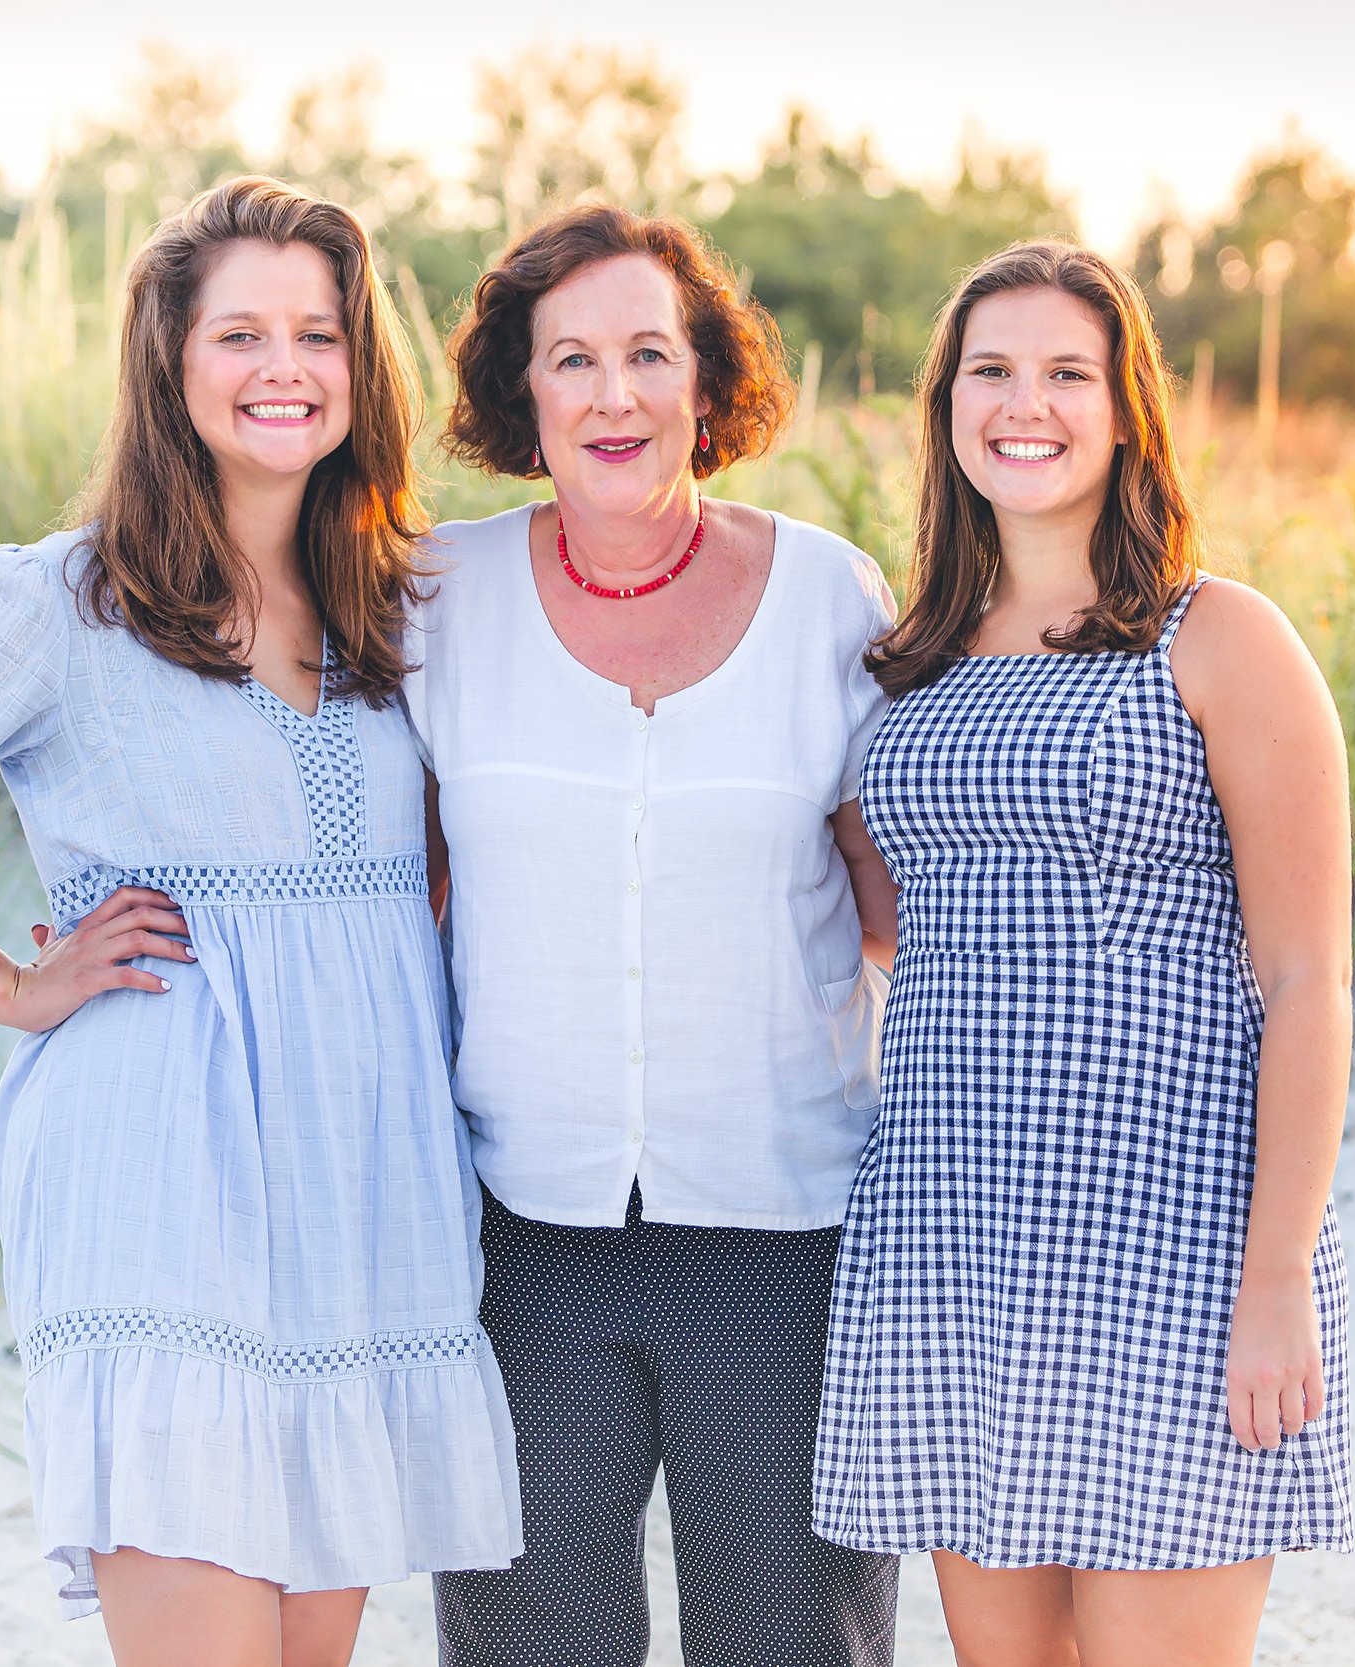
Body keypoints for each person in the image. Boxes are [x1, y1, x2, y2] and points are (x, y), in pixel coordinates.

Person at [0, 176, 521, 1667]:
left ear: (364, 370)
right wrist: (11, 986)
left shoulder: (394, 607)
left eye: (319, 333)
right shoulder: (60, 602)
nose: (283, 367)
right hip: (161, 1177)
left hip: (364, 1184)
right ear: (170, 363)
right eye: (240, 333)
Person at [811, 240, 1355, 1667]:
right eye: (990, 371)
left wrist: (1279, 1272)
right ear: (947, 408)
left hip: (1172, 1245)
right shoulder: (913, 657)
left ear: (1126, 412)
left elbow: (1309, 978)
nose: (1024, 403)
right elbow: (895, 922)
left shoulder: (1217, 637)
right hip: (952, 1235)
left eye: (1067, 372)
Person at [403, 204, 903, 1667]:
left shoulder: (828, 595)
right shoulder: (439, 597)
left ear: (705, 383)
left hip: (785, 1226)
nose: (612, 395)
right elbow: (387, 879)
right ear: (522, 392)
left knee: (789, 1645)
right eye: (571, 360)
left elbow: (896, 911)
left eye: (646, 354)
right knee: (529, 1646)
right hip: (522, 1235)